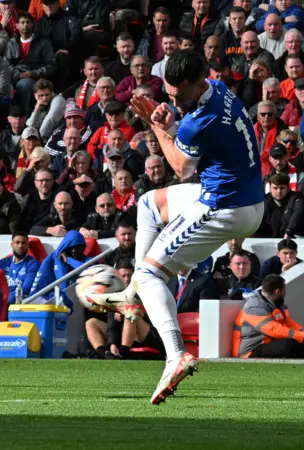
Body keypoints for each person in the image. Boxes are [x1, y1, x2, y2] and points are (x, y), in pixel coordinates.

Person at [94, 50, 264, 404]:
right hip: (243, 194)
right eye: (168, 94)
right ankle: (133, 295)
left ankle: (175, 355)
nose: (172, 100)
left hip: (225, 206)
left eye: (176, 95)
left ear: (194, 82)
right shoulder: (216, 88)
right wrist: (170, 121)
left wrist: (156, 125)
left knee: (151, 275)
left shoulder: (198, 120)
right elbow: (194, 139)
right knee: (148, 205)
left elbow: (182, 167)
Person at [233, 274, 304, 358]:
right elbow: (273, 329)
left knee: (296, 342)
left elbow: (289, 323)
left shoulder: (277, 303)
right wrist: (301, 336)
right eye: (284, 290)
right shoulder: (254, 307)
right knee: (289, 345)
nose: (285, 293)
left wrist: (302, 332)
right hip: (251, 350)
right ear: (277, 291)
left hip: (268, 343)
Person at [0, 232, 39, 305]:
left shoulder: (33, 264)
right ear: (12, 244)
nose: (20, 245)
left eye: (23, 243)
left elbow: (25, 289)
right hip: (2, 298)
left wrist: (6, 295)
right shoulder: (2, 263)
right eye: (17, 242)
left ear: (27, 245)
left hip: (19, 301)